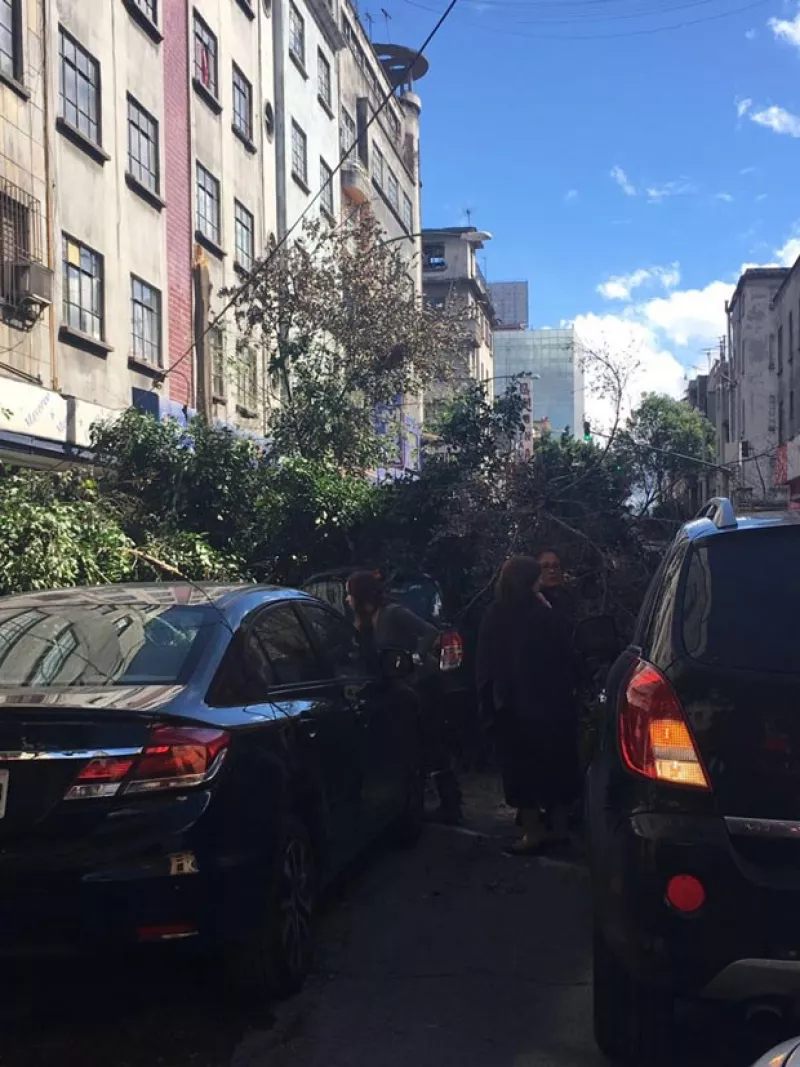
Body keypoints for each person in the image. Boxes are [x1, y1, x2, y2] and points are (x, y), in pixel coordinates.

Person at [476, 555, 581, 855]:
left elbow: (485, 665)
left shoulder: (496, 614)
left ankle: (533, 833)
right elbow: (567, 655)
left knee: (522, 773)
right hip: (550, 705)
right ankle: (559, 830)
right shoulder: (545, 615)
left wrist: (487, 705)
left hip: (512, 707)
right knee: (557, 767)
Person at [346, 571, 463, 825]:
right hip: (400, 688)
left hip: (422, 681)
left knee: (432, 740)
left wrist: (416, 658)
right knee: (414, 744)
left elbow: (430, 632)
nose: (346, 599)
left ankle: (451, 803)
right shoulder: (363, 621)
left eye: (349, 593)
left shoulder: (393, 613)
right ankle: (420, 801)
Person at [536, 549, 577, 626]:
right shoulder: (533, 601)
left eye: (555, 566)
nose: (552, 571)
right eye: (545, 567)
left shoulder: (568, 597)